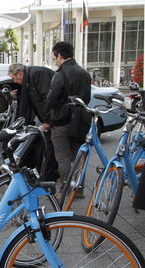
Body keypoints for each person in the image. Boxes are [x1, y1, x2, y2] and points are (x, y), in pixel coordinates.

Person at [44, 41, 91, 196]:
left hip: (61, 120)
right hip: (80, 120)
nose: (55, 61)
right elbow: (87, 98)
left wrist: (47, 115)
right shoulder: (84, 73)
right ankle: (78, 189)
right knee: (78, 155)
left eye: (55, 58)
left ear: (59, 55)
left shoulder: (60, 74)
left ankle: (65, 190)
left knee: (63, 157)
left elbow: (51, 100)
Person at [8, 63, 58, 181]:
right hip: (49, 119)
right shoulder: (30, 78)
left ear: (20, 73)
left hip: (54, 120)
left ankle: (48, 177)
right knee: (48, 148)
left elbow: (48, 99)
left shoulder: (37, 74)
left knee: (49, 148)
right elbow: (31, 100)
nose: (15, 81)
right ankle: (49, 174)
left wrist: (48, 121)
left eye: (14, 78)